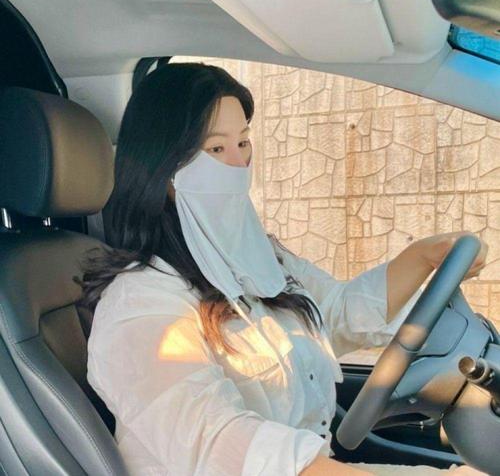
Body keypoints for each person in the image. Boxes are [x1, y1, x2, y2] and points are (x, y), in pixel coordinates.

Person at [79, 62, 489, 476]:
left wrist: (421, 258)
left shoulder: (259, 258)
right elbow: (219, 443)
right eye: (216, 149)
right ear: (164, 168)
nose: (239, 164)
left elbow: (334, 315)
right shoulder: (140, 305)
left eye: (243, 142)